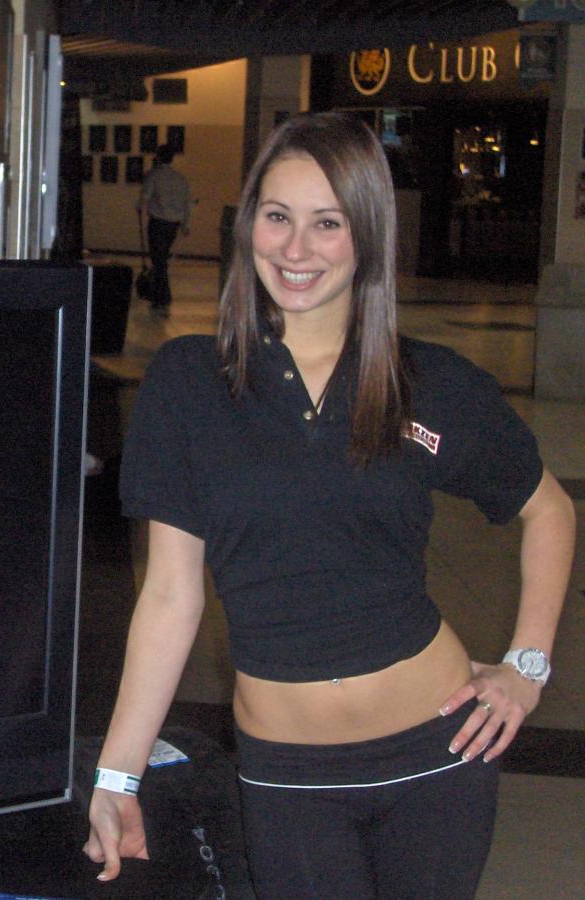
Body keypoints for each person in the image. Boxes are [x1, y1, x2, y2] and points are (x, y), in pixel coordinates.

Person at [85, 112, 576, 898]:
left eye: (328, 223)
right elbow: (171, 597)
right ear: (248, 224)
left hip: (438, 757)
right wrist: (119, 775)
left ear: (368, 237)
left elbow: (548, 510)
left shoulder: (425, 382)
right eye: (277, 217)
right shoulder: (190, 384)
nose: (296, 249)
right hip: (287, 773)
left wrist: (527, 666)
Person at [137, 144, 192, 317]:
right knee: (161, 258)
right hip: (173, 224)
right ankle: (160, 294)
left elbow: (145, 197)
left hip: (158, 222)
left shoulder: (154, 175)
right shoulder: (180, 178)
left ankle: (162, 296)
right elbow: (187, 203)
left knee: (158, 259)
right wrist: (185, 224)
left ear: (158, 157)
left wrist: (139, 206)